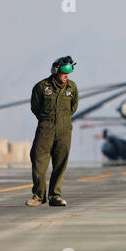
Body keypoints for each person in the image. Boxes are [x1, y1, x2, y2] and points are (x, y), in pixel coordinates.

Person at [27, 55, 79, 207]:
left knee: (60, 164)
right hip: (45, 129)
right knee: (38, 163)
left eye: (68, 73)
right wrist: (46, 120)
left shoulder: (72, 88)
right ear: (56, 70)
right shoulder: (42, 87)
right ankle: (38, 196)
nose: (66, 76)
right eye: (63, 72)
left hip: (64, 131)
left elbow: (73, 108)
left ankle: (55, 196)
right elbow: (35, 107)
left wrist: (62, 121)